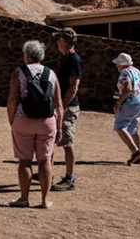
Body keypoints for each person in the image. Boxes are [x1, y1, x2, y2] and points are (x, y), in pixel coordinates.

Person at [7, 41, 64, 209]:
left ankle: (24, 198)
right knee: (45, 160)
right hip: (47, 122)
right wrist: (59, 127)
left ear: (27, 55)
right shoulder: (51, 74)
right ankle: (45, 200)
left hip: (23, 120)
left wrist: (12, 120)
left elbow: (12, 100)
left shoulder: (19, 72)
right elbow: (59, 104)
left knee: (24, 161)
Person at [52, 27, 83, 192]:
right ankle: (47, 171)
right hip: (62, 105)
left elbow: (73, 87)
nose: (57, 43)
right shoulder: (65, 58)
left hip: (68, 107)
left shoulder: (74, 60)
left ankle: (70, 178)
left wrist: (62, 107)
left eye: (59, 40)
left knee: (67, 142)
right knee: (53, 138)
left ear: (64, 42)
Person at [112, 53, 140, 165]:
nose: (116, 66)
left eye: (117, 63)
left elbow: (127, 89)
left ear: (121, 64)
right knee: (132, 129)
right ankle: (139, 158)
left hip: (131, 103)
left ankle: (136, 152)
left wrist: (118, 103)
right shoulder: (137, 71)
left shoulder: (124, 73)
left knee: (119, 126)